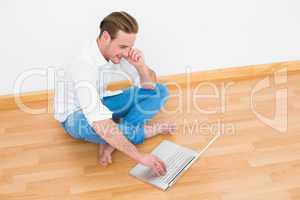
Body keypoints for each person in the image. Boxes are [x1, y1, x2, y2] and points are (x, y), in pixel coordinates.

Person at [54, 11, 176, 176]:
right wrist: (140, 157)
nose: (126, 53)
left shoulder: (116, 53)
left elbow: (150, 87)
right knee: (95, 127)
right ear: (105, 37)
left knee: (160, 91)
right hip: (75, 116)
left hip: (102, 101)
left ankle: (112, 141)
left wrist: (141, 67)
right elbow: (100, 123)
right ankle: (146, 131)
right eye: (123, 47)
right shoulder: (83, 66)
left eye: (130, 47)